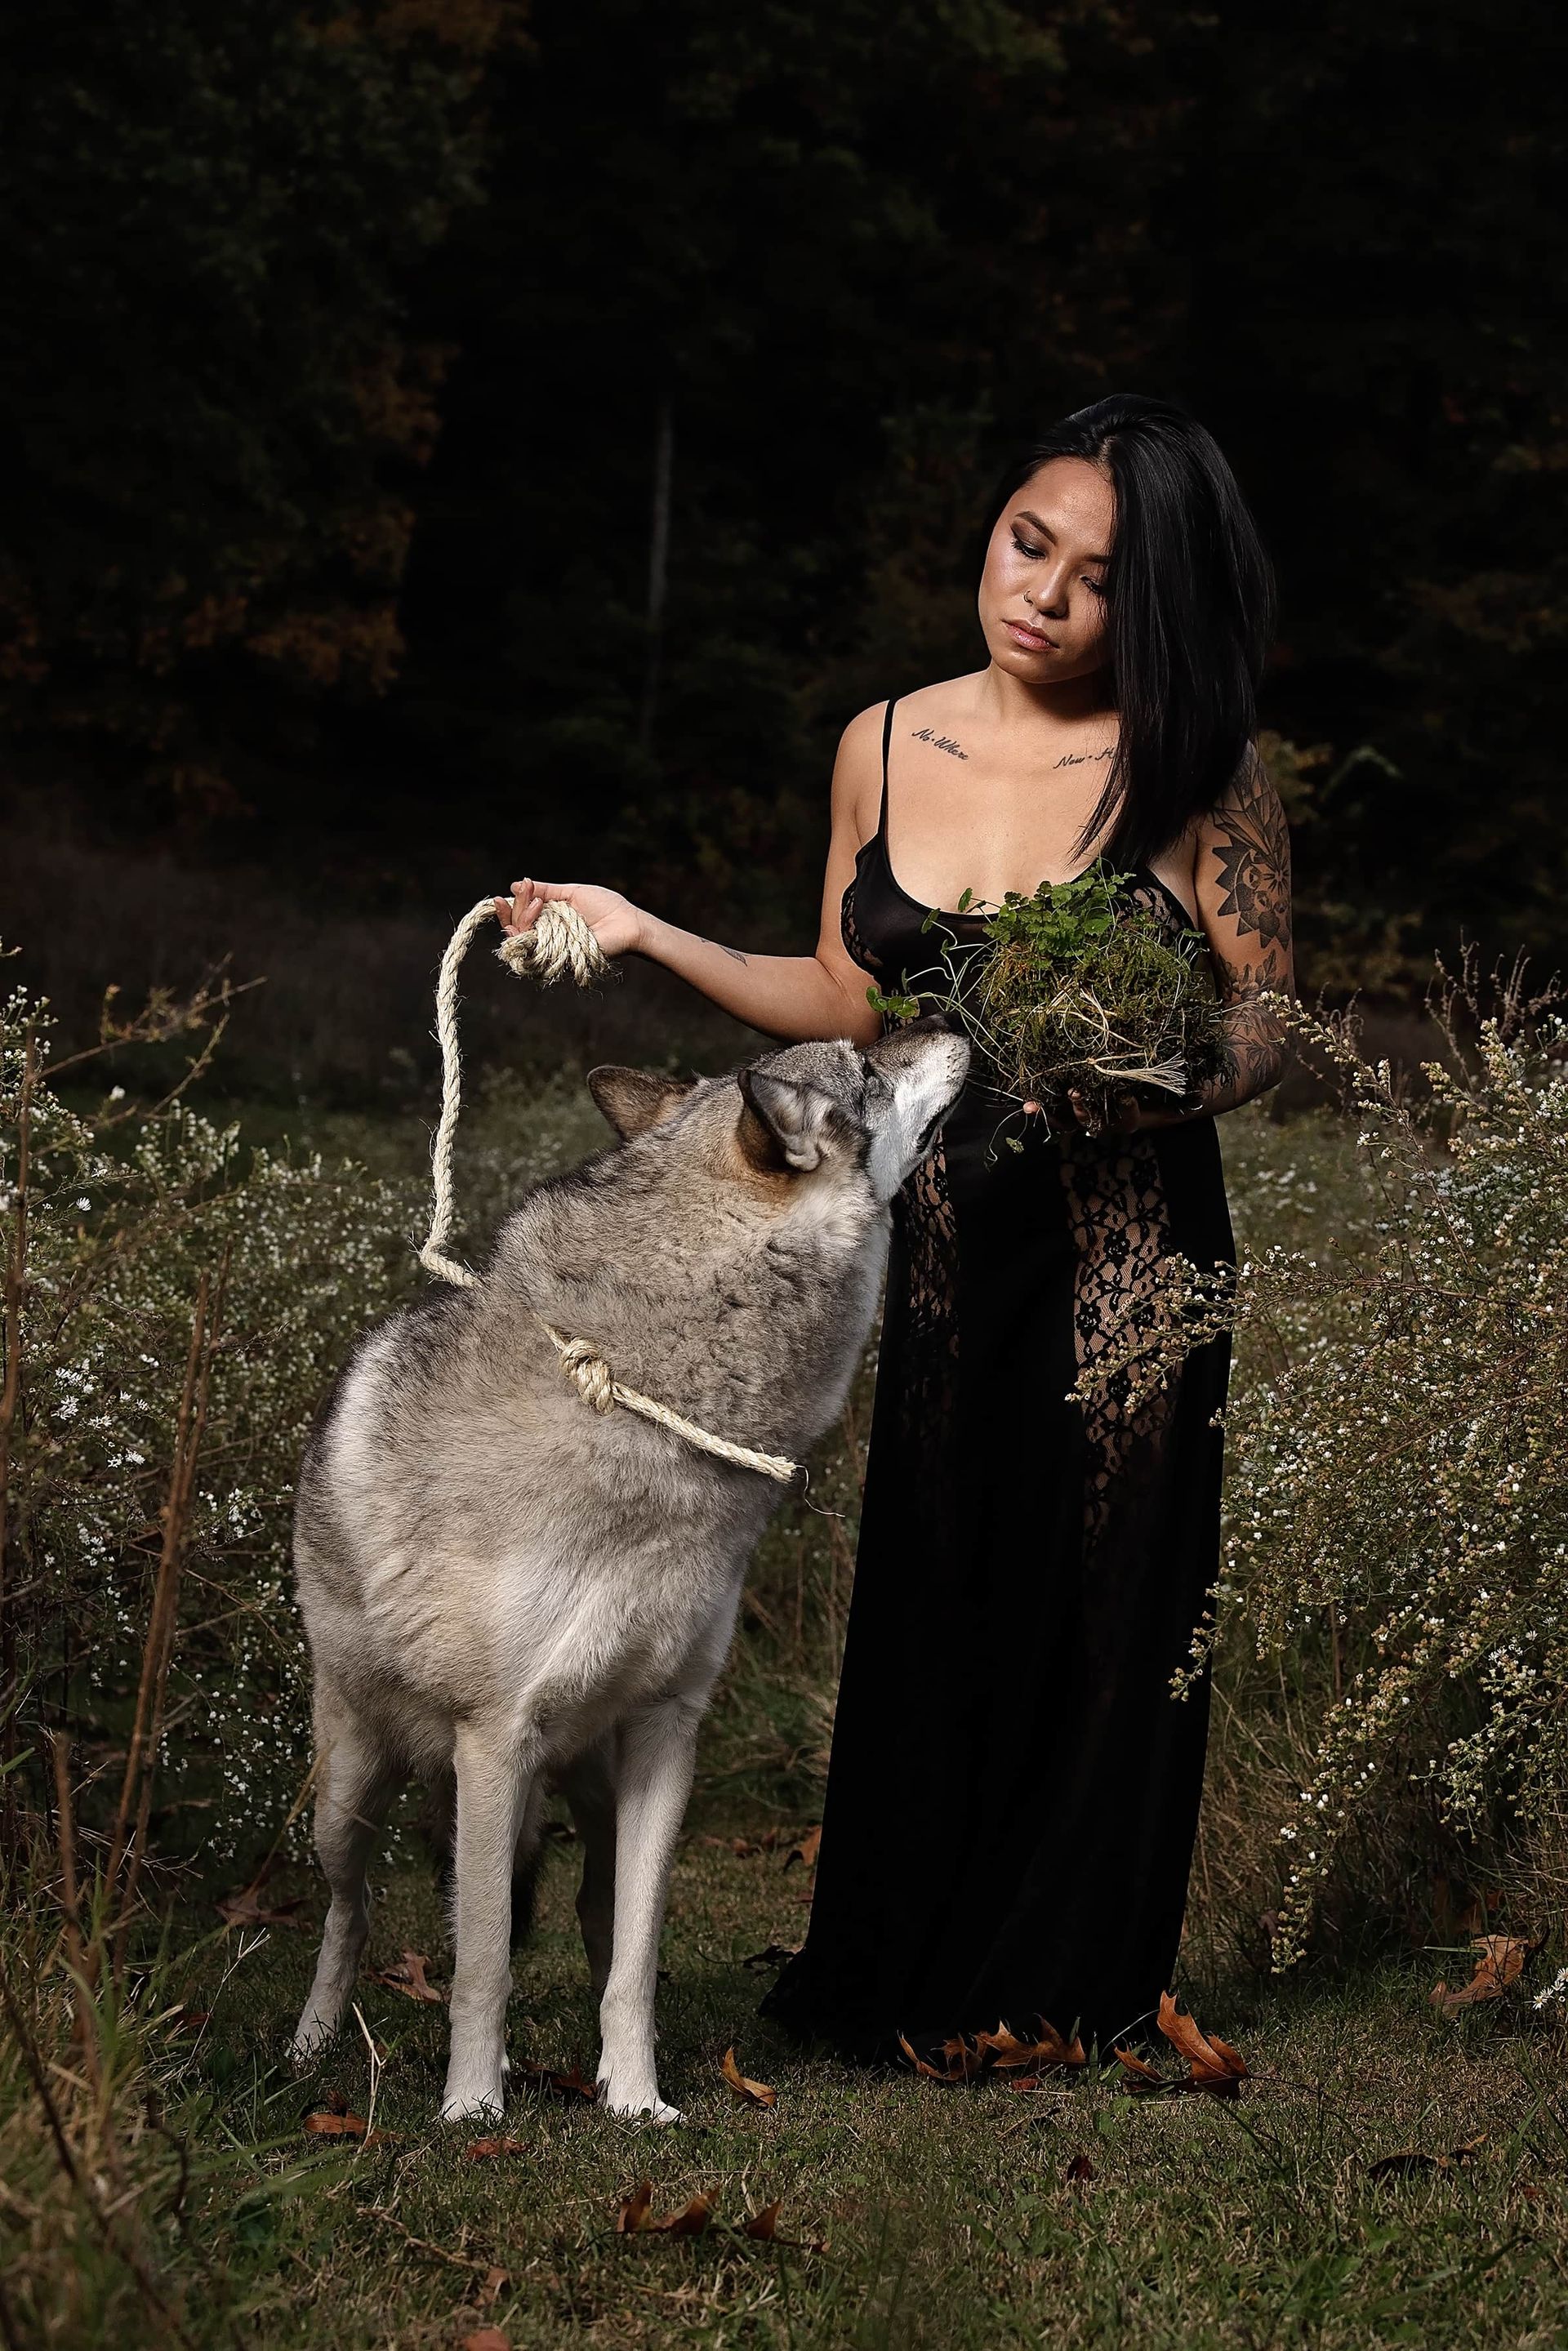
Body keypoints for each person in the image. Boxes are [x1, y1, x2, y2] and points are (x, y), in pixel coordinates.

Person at [498, 393, 1292, 2061]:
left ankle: (1070, 1986)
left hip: (1131, 1237)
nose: (1046, 597)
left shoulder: (1205, 765)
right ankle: (916, 1971)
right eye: (1029, 543)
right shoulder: (880, 738)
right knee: (941, 1569)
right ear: (995, 525)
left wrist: (1157, 1077)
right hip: (933, 1230)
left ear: (1151, 610)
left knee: (1116, 1590)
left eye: (1099, 582)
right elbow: (845, 1002)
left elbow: (1267, 1022)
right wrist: (643, 929)